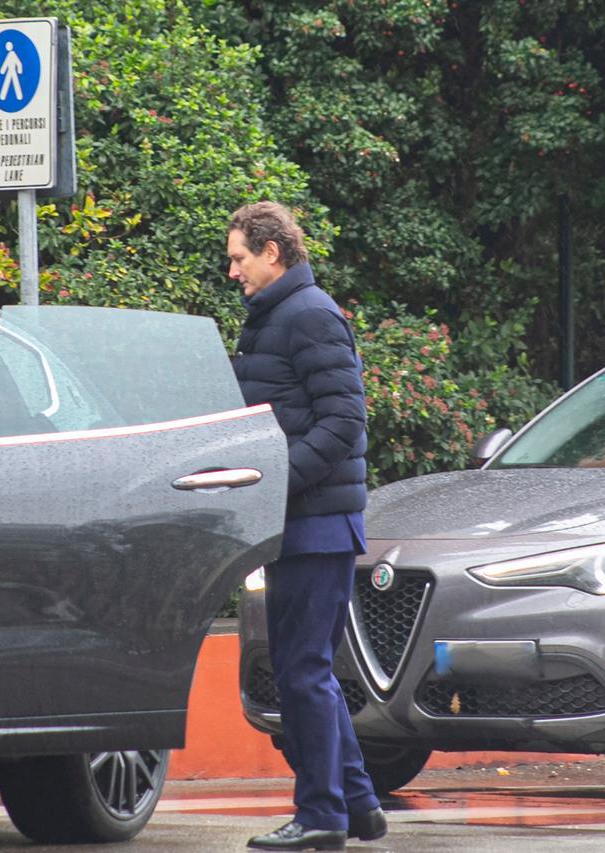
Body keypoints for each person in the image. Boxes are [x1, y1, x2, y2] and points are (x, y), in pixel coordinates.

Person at [227, 202, 386, 851]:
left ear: (273, 252)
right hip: (298, 522)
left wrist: (277, 478)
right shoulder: (270, 319)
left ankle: (321, 817)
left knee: (302, 672)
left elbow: (344, 421)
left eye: (239, 257)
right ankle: (358, 804)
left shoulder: (311, 315)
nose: (231, 269)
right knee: (303, 668)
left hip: (317, 523)